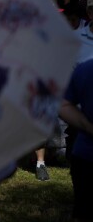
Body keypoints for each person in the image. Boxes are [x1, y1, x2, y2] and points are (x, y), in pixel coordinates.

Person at [59, 59, 93, 222]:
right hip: (87, 155)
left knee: (83, 212)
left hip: (85, 155)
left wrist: (87, 126)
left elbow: (63, 105)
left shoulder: (84, 69)